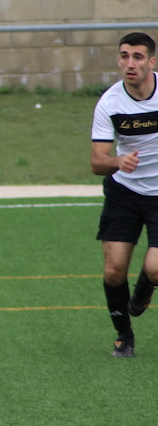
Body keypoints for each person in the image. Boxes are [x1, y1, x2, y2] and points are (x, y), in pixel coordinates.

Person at [90, 31, 158, 358]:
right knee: (114, 270)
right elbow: (96, 163)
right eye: (124, 56)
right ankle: (124, 335)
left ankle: (146, 284)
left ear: (151, 62)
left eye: (137, 57)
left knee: (155, 269)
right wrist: (118, 161)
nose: (130, 63)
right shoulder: (110, 102)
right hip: (125, 192)